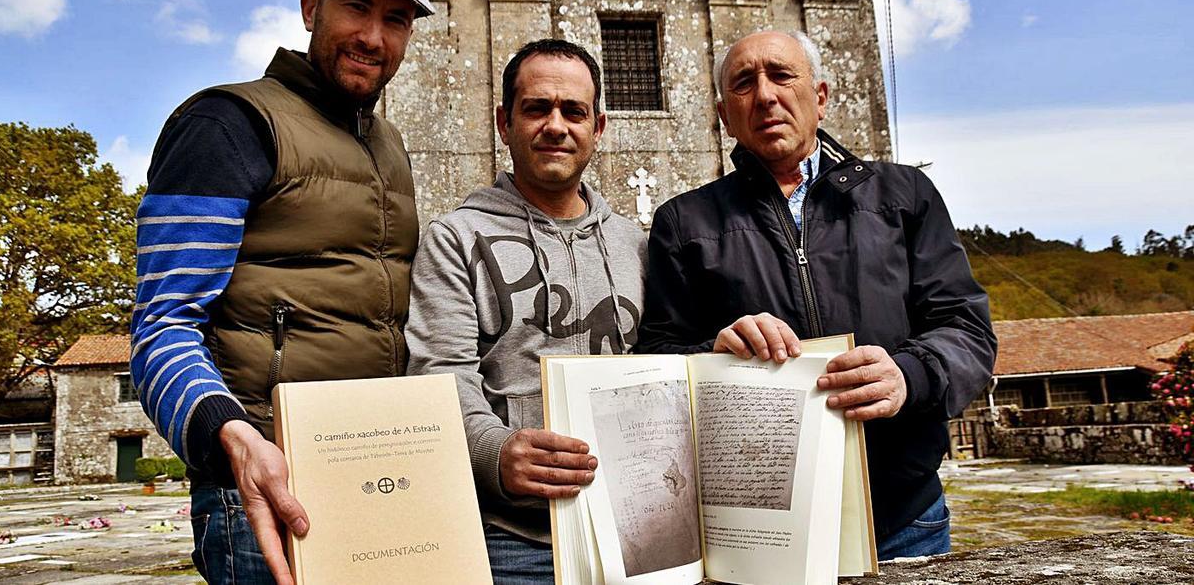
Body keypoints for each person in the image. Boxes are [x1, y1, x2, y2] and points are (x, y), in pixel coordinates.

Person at [130, 0, 434, 585]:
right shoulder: (229, 122)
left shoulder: (392, 147)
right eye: (356, 7)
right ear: (309, 10)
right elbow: (162, 327)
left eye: (396, 19)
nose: (374, 37)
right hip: (264, 488)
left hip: (379, 476)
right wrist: (232, 437)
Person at [635, 30, 996, 559]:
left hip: (902, 517)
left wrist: (908, 374)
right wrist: (713, 352)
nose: (764, 95)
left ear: (821, 96)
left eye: (782, 76)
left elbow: (967, 329)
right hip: (758, 530)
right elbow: (656, 358)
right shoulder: (683, 222)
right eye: (743, 83)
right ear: (722, 114)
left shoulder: (904, 195)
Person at [405, 39, 647, 583]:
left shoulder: (635, 245)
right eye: (537, 108)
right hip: (510, 540)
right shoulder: (454, 238)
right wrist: (496, 454)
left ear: (598, 128)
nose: (556, 125)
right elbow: (440, 376)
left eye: (574, 112)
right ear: (504, 121)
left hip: (628, 528)